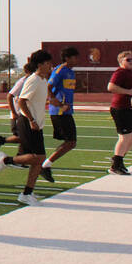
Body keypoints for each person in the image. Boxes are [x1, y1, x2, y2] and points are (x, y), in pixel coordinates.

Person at [0, 50, 53, 206]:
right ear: (40, 65)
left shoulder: (43, 80)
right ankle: (6, 160)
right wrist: (31, 119)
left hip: (36, 124)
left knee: (38, 161)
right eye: (48, 63)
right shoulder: (33, 80)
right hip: (27, 122)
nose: (50, 66)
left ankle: (27, 193)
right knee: (38, 157)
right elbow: (21, 101)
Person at [42, 47, 80, 181]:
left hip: (66, 111)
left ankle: (46, 164)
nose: (77, 60)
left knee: (71, 142)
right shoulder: (60, 70)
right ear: (67, 58)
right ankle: (45, 165)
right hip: (59, 112)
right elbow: (48, 86)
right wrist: (54, 101)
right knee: (71, 142)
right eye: (75, 57)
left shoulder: (71, 72)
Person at [106, 50, 132, 175]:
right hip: (121, 108)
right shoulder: (120, 73)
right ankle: (116, 166)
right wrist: (129, 92)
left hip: (130, 108)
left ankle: (118, 158)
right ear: (121, 61)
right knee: (125, 137)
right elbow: (110, 87)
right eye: (128, 60)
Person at [0, 61, 35, 152]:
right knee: (23, 137)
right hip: (18, 114)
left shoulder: (31, 82)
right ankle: (1, 140)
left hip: (25, 114)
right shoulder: (22, 82)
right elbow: (9, 96)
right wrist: (13, 112)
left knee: (26, 137)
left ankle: (20, 157)